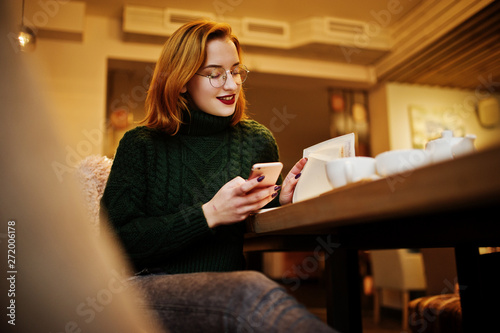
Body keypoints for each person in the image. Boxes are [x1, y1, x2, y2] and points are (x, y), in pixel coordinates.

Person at [101, 20, 337, 333]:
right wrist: (210, 213)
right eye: (215, 74)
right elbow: (113, 242)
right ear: (182, 80)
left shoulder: (256, 140)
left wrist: (281, 200)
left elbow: (252, 219)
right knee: (247, 290)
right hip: (147, 288)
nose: (231, 84)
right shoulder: (140, 144)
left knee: (244, 289)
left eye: (236, 71)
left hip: (225, 285)